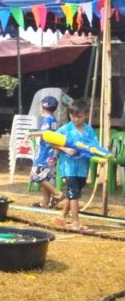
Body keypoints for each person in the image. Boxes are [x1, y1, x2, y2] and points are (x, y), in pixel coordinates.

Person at [46, 100, 104, 234]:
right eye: (72, 115)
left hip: (82, 167)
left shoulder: (89, 130)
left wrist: (101, 155)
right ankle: (76, 222)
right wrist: (65, 149)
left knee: (75, 192)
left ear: (86, 115)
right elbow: (50, 142)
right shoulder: (65, 129)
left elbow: (94, 146)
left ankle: (61, 216)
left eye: (79, 116)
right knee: (73, 193)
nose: (75, 119)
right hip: (68, 166)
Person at [27, 96, 64, 208]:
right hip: (51, 153)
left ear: (43, 106)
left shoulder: (47, 120)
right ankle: (45, 202)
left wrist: (31, 134)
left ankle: (57, 193)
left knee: (35, 175)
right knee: (46, 177)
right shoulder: (53, 120)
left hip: (45, 153)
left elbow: (45, 133)